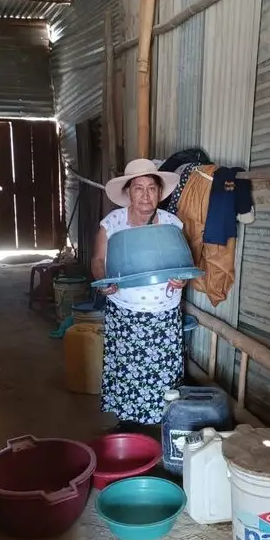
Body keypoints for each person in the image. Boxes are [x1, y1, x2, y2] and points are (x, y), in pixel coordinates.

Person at [91, 159, 187, 428]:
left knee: (162, 374)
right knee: (126, 371)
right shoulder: (113, 223)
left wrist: (181, 281)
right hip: (125, 312)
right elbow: (98, 261)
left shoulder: (171, 224)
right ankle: (127, 425)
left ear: (159, 193)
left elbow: (183, 265)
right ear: (128, 193)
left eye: (151, 188)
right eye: (138, 188)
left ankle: (161, 424)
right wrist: (103, 280)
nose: (145, 195)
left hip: (163, 314)